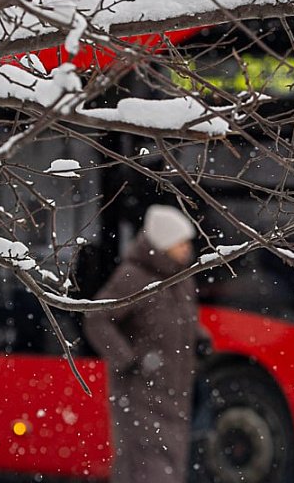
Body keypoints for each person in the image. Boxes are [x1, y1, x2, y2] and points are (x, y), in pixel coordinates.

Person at [83, 204, 199, 482]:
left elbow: (179, 322)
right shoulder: (133, 277)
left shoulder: (181, 280)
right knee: (147, 469)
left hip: (174, 395)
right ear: (162, 244)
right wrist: (127, 359)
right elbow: (96, 318)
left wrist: (201, 339)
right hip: (140, 395)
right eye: (180, 243)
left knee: (168, 468)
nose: (187, 249)